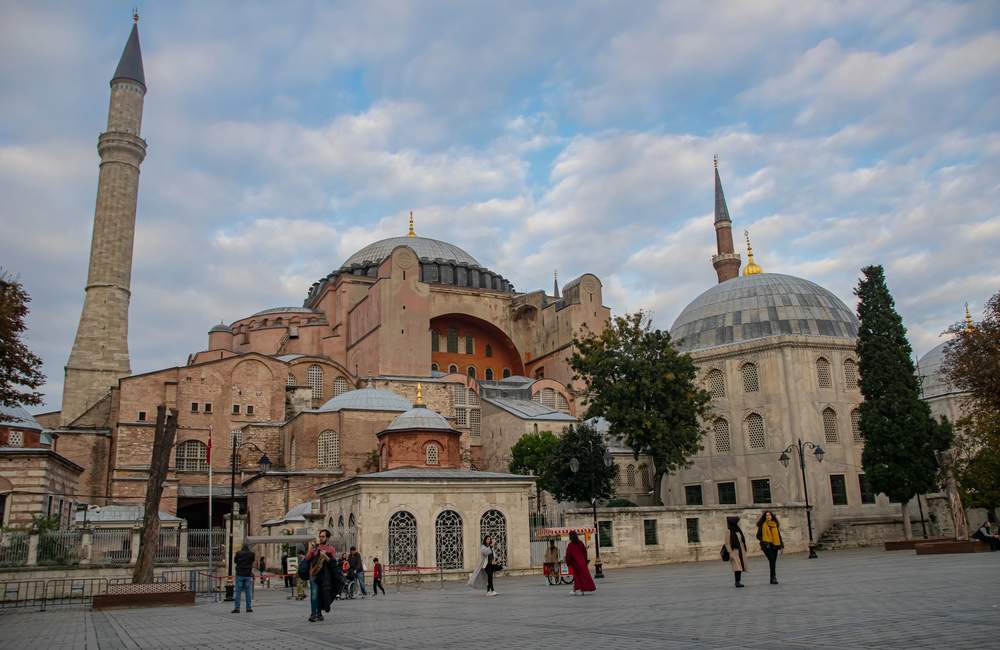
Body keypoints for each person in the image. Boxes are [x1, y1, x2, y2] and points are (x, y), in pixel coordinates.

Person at [304, 529, 338, 621]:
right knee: (314, 593)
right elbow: (307, 558)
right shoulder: (315, 548)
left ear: (327, 537)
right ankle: (313, 614)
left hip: (325, 576)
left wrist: (325, 556)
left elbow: (333, 563)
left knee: (321, 594)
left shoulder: (331, 549)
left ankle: (319, 614)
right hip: (314, 574)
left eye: (323, 536)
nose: (321, 538)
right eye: (320, 536)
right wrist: (310, 551)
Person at [564, 531, 597, 595]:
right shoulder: (580, 543)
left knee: (578, 577)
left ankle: (581, 590)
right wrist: (585, 561)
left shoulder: (570, 545)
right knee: (583, 576)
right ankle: (575, 590)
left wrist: (568, 562)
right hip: (582, 562)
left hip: (575, 563)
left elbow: (568, 555)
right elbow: (585, 552)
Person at [755, 511, 783, 584]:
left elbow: (779, 536)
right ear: (764, 517)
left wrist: (781, 546)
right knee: (772, 560)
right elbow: (758, 536)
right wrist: (765, 540)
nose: (768, 516)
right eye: (766, 515)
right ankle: (773, 577)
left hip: (775, 545)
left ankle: (772, 578)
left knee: (773, 561)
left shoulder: (775, 524)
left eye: (769, 515)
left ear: (772, 516)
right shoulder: (762, 525)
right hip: (767, 546)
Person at [723, 516, 749, 588]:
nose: (738, 523)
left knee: (740, 566)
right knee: (737, 566)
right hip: (734, 550)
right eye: (737, 522)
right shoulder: (728, 531)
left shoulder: (738, 530)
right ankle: (737, 582)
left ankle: (738, 581)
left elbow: (742, 540)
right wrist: (730, 552)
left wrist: (744, 548)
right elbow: (727, 543)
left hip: (741, 549)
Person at [232, 543, 255, 613]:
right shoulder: (252, 554)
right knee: (248, 592)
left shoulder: (238, 553)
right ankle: (248, 608)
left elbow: (235, 561)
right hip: (248, 575)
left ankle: (237, 608)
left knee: (238, 592)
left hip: (239, 574)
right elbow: (252, 561)